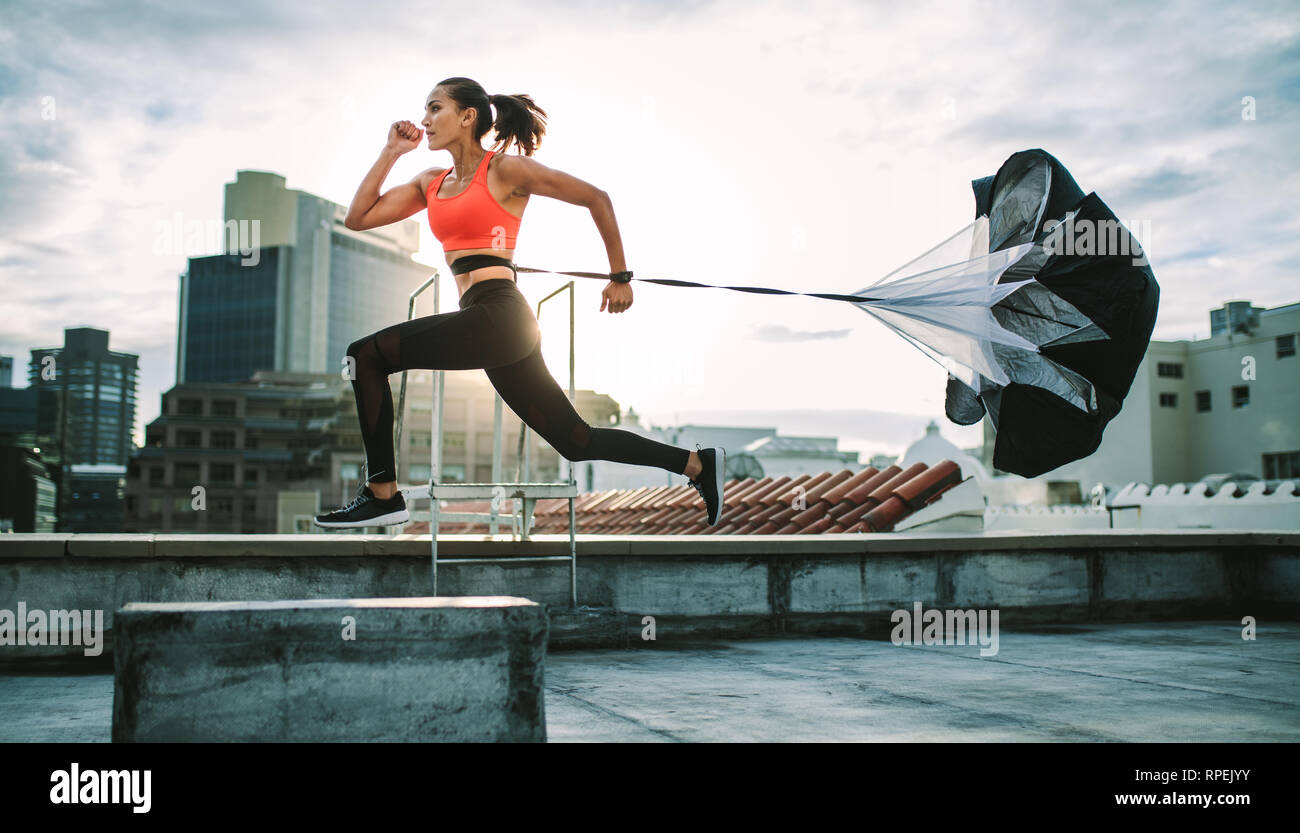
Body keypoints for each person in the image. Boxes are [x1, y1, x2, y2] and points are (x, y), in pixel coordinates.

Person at [314, 76, 725, 530]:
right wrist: (391, 152)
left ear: (467, 116)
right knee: (576, 440)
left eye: (435, 109)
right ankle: (697, 465)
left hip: (500, 314)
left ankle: (382, 494)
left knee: (364, 356)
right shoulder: (430, 182)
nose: (425, 121)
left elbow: (596, 198)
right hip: (488, 323)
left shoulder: (505, 171)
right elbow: (357, 218)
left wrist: (619, 276)